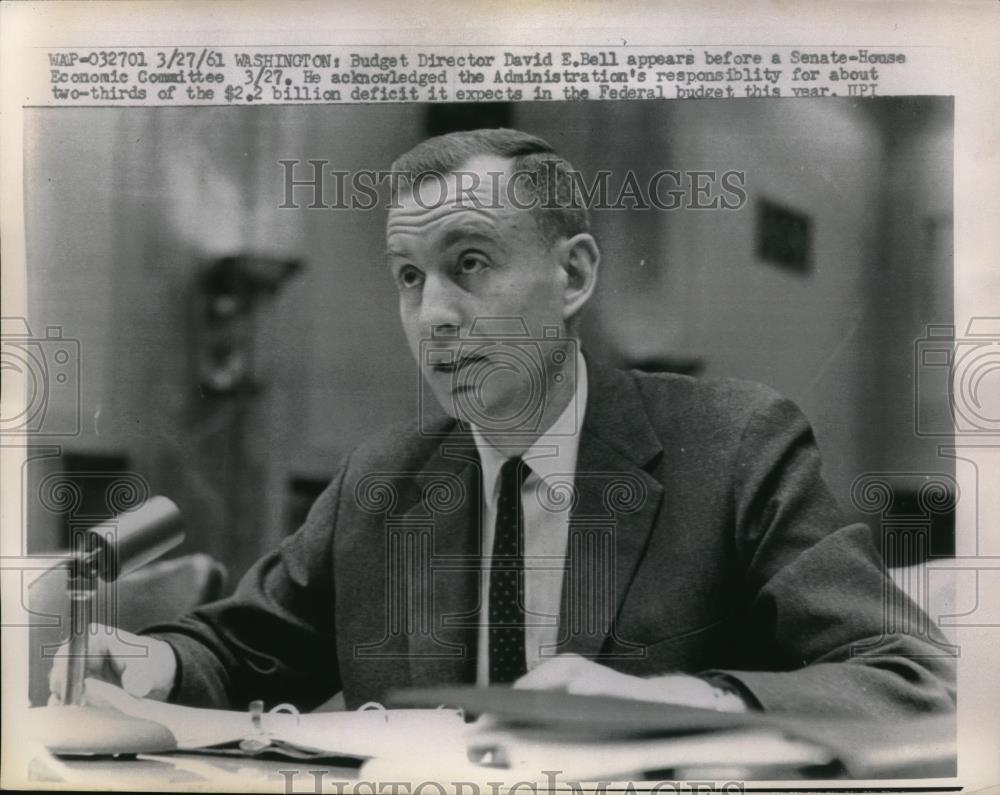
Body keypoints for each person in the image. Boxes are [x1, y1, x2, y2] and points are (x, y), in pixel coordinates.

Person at [51, 128, 956, 717]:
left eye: (470, 262)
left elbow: (915, 678)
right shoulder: (383, 478)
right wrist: (154, 665)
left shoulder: (735, 446)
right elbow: (238, 646)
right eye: (409, 275)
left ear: (574, 276)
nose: (433, 314)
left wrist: (685, 697)